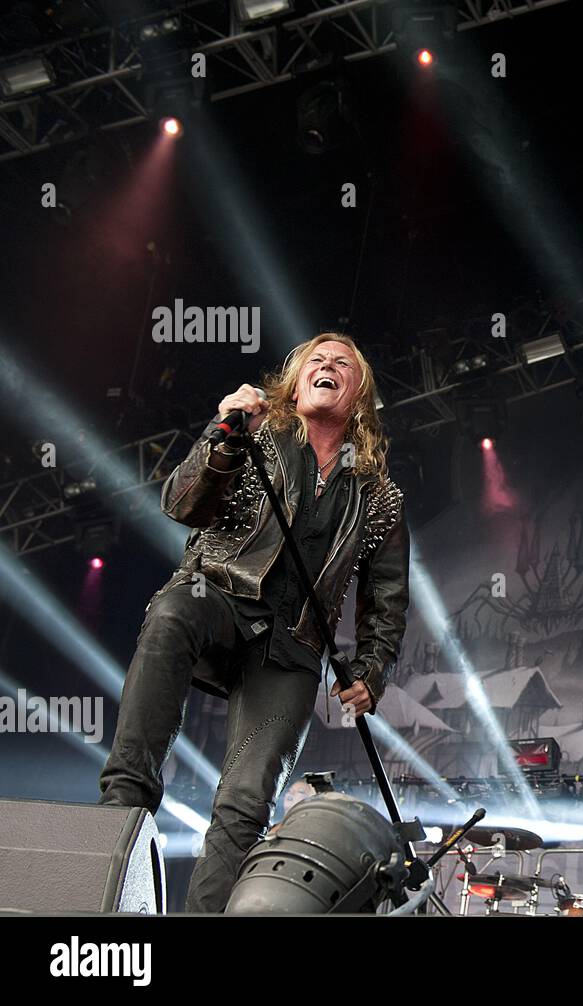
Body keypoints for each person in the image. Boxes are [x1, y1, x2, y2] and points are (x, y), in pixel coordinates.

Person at [99, 333, 410, 912]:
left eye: (342, 362)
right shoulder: (253, 435)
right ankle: (120, 812)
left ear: (359, 394)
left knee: (246, 799)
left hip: (292, 646)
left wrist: (371, 667)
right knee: (170, 611)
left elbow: (388, 594)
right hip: (218, 593)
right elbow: (182, 504)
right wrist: (223, 436)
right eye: (315, 359)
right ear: (293, 384)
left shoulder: (379, 496)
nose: (327, 365)